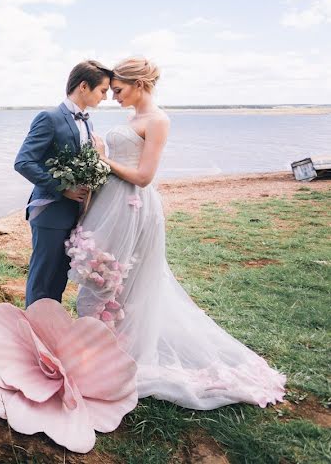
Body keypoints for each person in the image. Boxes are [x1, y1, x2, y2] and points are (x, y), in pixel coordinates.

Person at [70, 56, 285, 409]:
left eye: (119, 89)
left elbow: (143, 176)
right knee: (103, 274)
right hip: (114, 201)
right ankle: (101, 344)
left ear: (139, 85)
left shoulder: (158, 120)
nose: (114, 96)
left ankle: (119, 351)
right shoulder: (132, 117)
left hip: (134, 205)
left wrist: (103, 159)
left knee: (124, 278)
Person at [14, 60, 112, 307]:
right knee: (42, 278)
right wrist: (62, 188)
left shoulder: (88, 122)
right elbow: (24, 162)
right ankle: (33, 334)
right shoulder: (49, 118)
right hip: (50, 212)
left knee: (59, 279)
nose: (105, 96)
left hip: (74, 214)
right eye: (102, 90)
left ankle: (50, 331)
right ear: (83, 86)